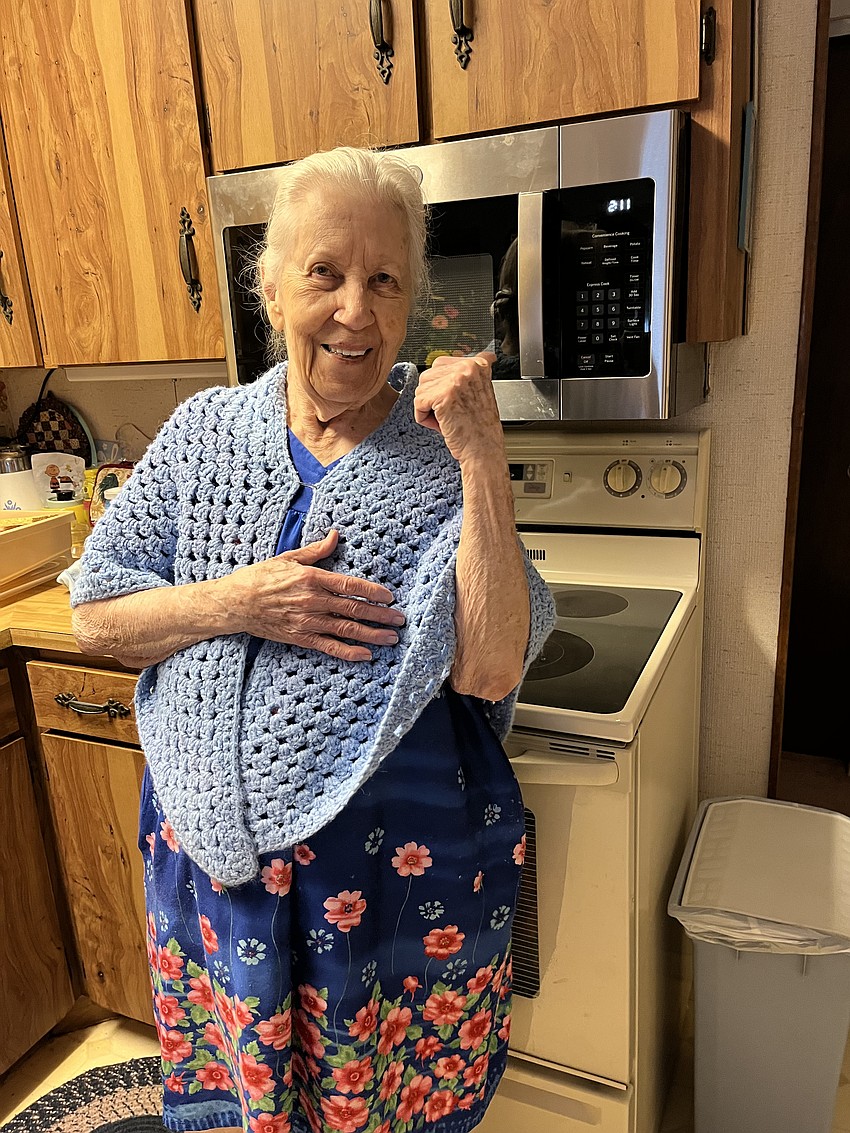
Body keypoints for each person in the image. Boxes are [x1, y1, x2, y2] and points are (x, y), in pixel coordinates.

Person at [71, 146, 554, 1133]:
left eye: (384, 279)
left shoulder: (440, 461)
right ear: (270, 285)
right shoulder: (203, 432)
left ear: (412, 296)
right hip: (213, 851)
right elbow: (96, 613)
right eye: (324, 272)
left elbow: (494, 661)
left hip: (382, 868)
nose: (355, 309)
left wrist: (483, 461)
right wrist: (238, 600)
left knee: (375, 1100)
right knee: (243, 1100)